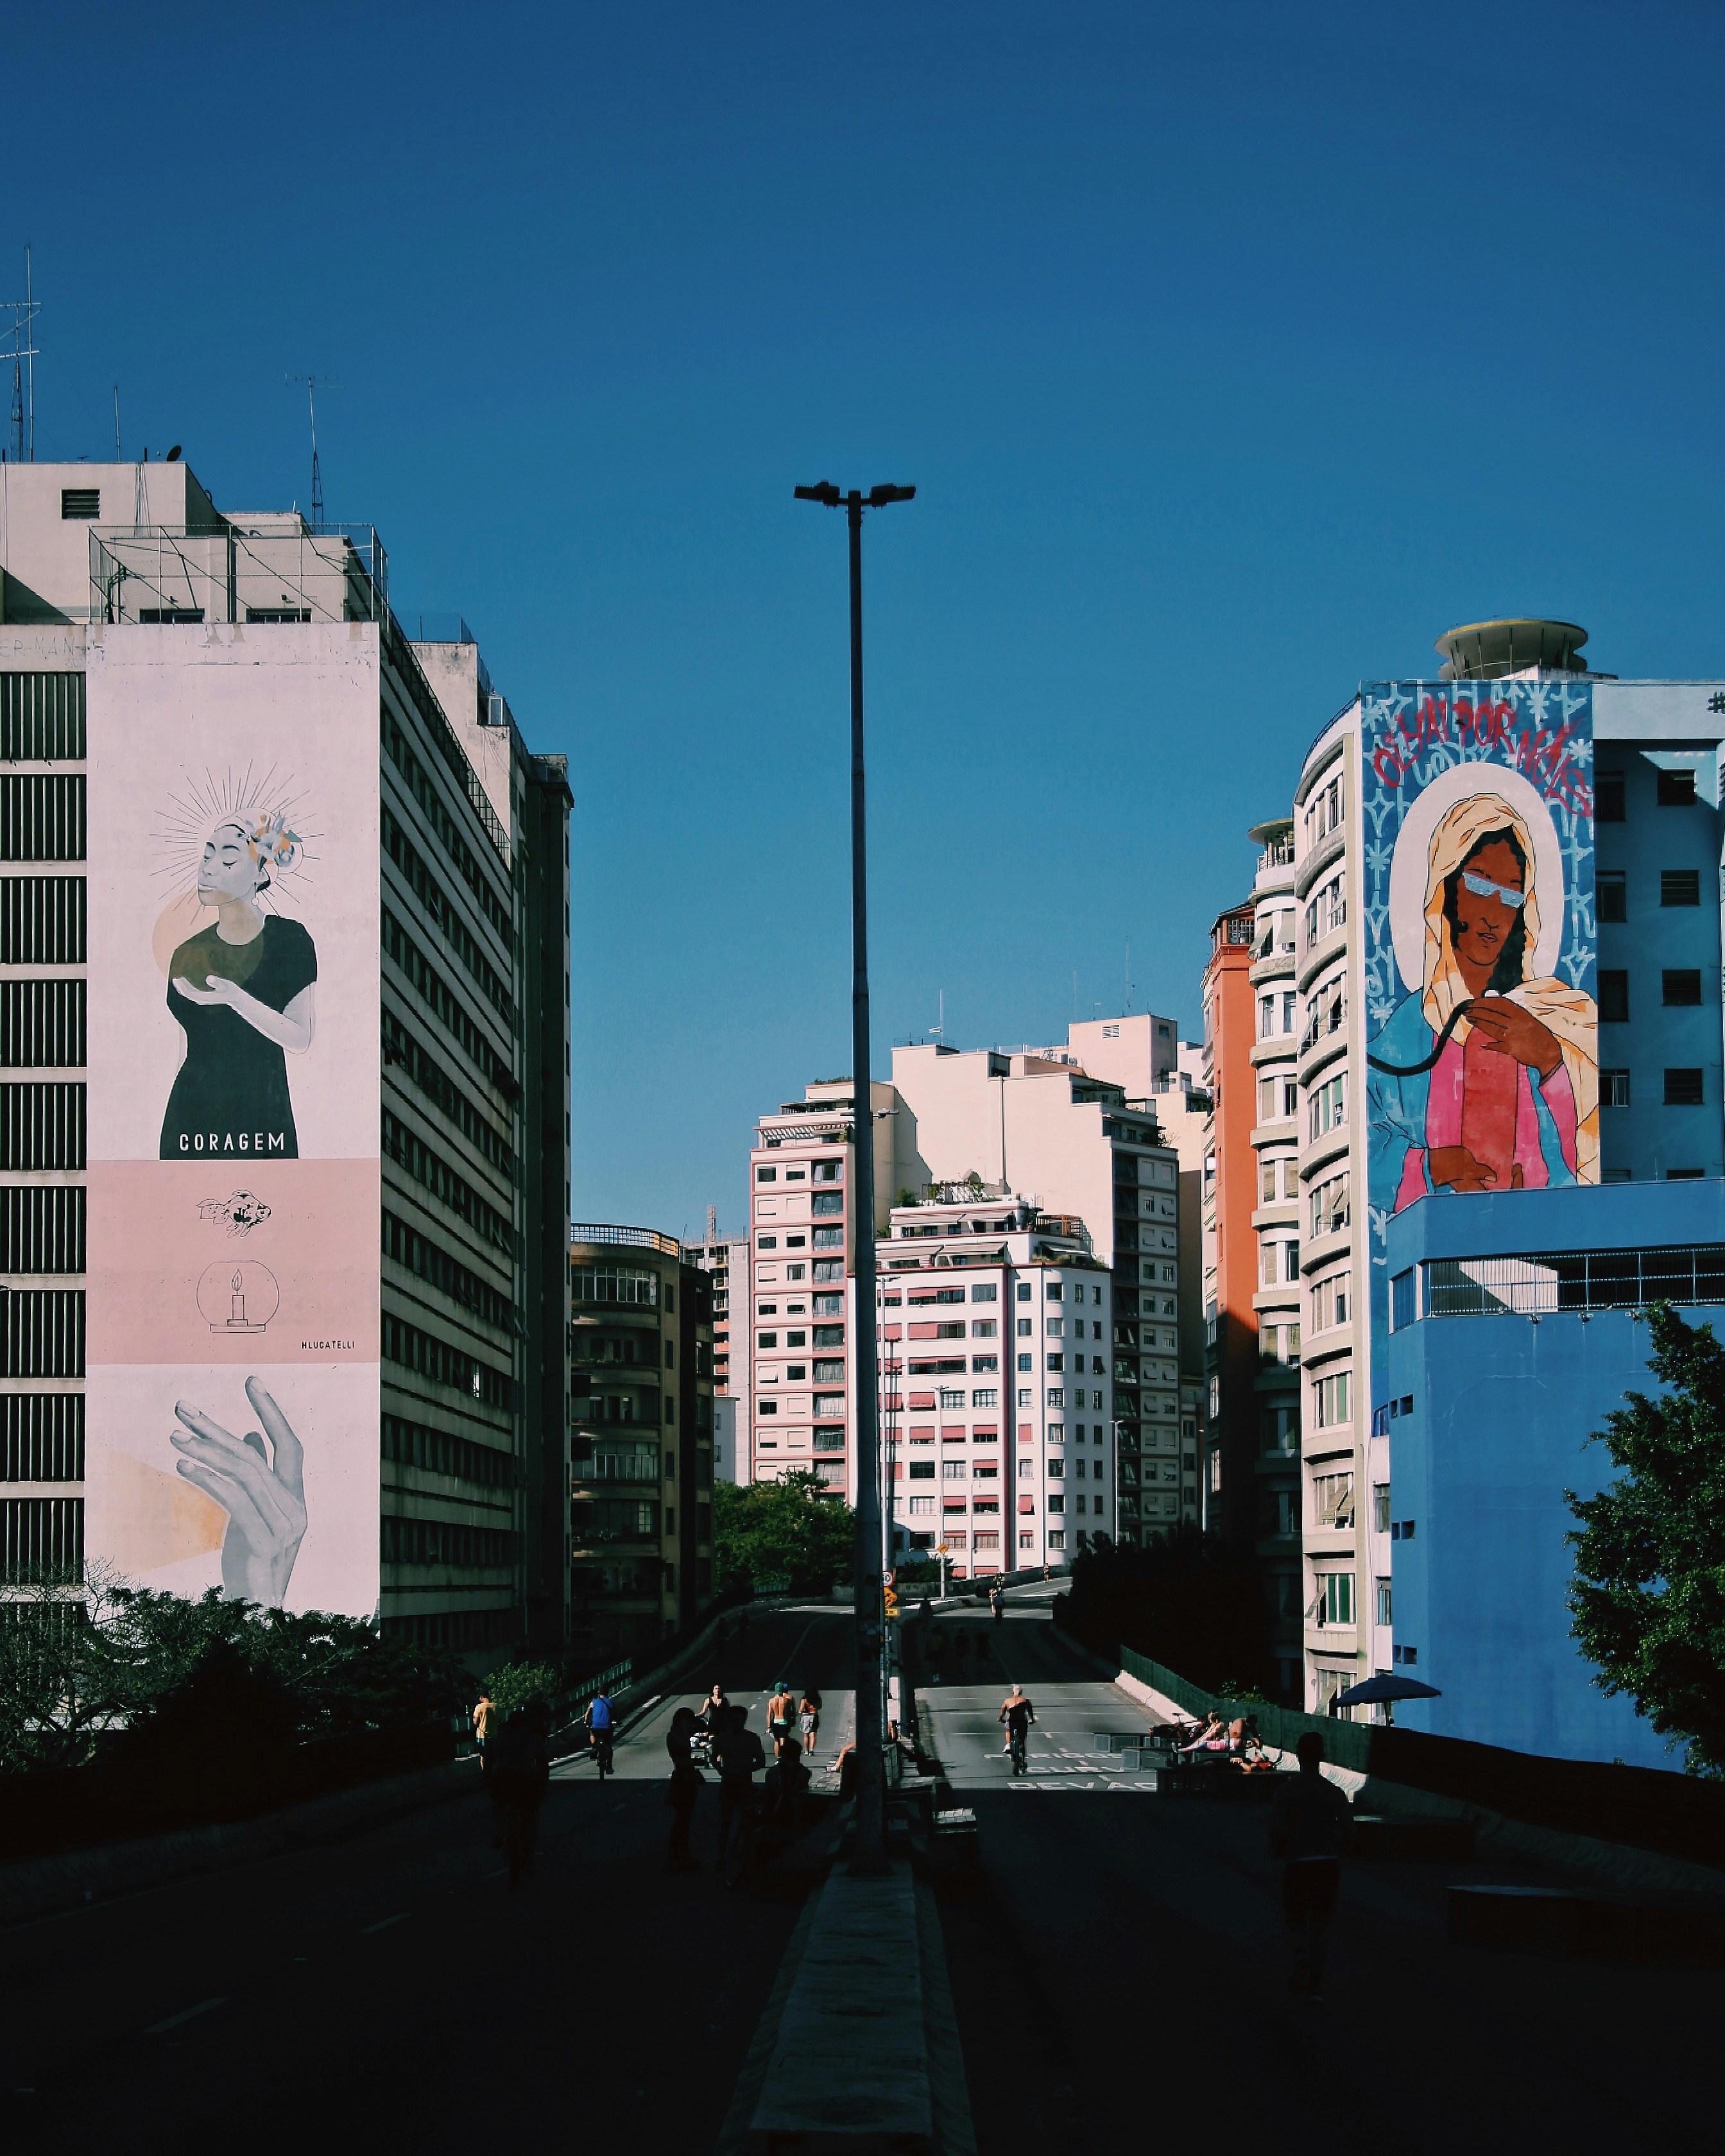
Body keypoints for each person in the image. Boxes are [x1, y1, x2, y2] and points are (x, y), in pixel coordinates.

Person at [1366, 791, 1598, 1208]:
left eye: (1512, 894)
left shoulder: (1551, 1017)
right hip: (1437, 1262)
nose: (1495, 913)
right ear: (1445, 888)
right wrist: (1437, 1166)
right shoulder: (1400, 1043)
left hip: (1535, 1255)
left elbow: (1582, 1172)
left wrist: (1550, 1062)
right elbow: (1360, 1160)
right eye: (1478, 883)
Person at [160, 813, 317, 1159]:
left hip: (264, 1120)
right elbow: (188, 1047)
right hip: (191, 1122)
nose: (209, 868)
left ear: (260, 875)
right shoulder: (187, 954)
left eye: (229, 859)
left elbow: (300, 1037)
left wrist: (234, 997)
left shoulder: (289, 940)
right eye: (206, 855)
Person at [1268, 1733, 1353, 1999]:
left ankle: (1299, 1952)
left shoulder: (1286, 1791)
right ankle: (1315, 1985)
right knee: (1320, 1924)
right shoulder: (1335, 1793)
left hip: (1298, 1863)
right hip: (1327, 1865)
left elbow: (1278, 1828)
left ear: (1298, 1756)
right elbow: (1349, 1831)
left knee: (1294, 1918)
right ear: (1323, 1757)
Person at [485, 1706, 550, 1884]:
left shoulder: (499, 1738)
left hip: (502, 1778)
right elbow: (543, 1764)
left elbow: (488, 1760)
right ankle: (528, 1862)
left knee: (497, 1804)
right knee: (530, 1821)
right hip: (526, 1779)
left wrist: (487, 1782)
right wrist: (543, 1785)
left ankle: (500, 1830)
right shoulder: (533, 1738)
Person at [712, 1702, 766, 1885]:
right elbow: (713, 1757)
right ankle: (721, 1857)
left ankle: (748, 1857)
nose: (737, 1723)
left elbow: (761, 1761)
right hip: (729, 1784)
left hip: (744, 1784)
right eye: (734, 1720)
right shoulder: (721, 1739)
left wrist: (744, 1768)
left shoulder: (751, 1739)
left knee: (747, 1822)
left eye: (740, 1721)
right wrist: (721, 1769)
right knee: (725, 1822)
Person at [664, 1706, 703, 1872]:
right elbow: (681, 1756)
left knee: (684, 1820)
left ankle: (682, 1854)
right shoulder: (675, 1736)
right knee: (682, 1819)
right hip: (682, 1777)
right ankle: (677, 1855)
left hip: (686, 1775)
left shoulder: (682, 1735)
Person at [762, 1736, 812, 1835]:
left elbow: (768, 1792)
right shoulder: (805, 1772)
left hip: (773, 1812)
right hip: (795, 1813)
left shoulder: (773, 1772)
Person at [999, 1684, 1034, 1774]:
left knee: (1008, 1729)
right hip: (1022, 1722)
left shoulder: (1007, 1701)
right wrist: (1031, 1720)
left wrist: (1000, 1719)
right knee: (1022, 1742)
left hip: (1012, 1722)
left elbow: (1002, 1713)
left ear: (1012, 1692)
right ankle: (1022, 1762)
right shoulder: (1025, 1701)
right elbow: (1030, 1713)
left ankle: (1009, 1744)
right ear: (1021, 1693)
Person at [585, 1688, 615, 1770]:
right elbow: (615, 1714)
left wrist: (586, 1723)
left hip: (596, 1728)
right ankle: (609, 1766)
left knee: (592, 1733)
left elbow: (587, 1714)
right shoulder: (611, 1702)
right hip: (607, 1728)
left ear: (599, 1693)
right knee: (608, 1745)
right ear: (607, 1692)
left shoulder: (593, 1702)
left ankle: (594, 1747)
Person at [766, 1681, 795, 1757]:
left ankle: (778, 1758)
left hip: (775, 1722)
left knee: (777, 1741)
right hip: (784, 1722)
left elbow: (769, 1715)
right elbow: (790, 1713)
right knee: (783, 1740)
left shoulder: (771, 1701)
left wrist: (769, 1727)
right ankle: (783, 1756)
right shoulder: (786, 1701)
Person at [472, 1688, 498, 1768]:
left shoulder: (479, 1707)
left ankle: (485, 1774)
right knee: (493, 1756)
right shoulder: (496, 1706)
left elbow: (475, 1722)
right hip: (494, 1735)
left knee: (483, 1757)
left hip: (482, 1736)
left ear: (481, 1697)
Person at [798, 1688, 821, 1758]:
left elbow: (801, 1710)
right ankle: (811, 1750)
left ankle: (806, 1751)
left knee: (806, 1734)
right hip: (814, 1715)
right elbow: (820, 1707)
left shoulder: (804, 1699)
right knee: (813, 1734)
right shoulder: (818, 1699)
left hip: (806, 1717)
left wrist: (800, 1711)